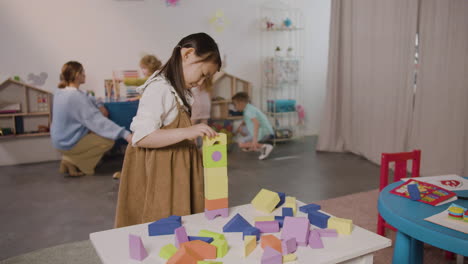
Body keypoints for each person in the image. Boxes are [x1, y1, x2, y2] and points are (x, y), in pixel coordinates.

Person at [114, 32, 221, 227]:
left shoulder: (179, 89)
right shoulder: (160, 88)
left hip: (176, 169)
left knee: (182, 221)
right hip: (161, 172)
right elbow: (142, 136)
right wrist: (188, 132)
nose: (201, 82)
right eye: (204, 74)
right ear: (187, 55)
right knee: (161, 220)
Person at [51, 61, 132, 177]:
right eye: (82, 72)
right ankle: (78, 163)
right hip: (68, 142)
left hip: (59, 140)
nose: (85, 74)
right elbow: (97, 121)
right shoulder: (76, 97)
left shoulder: (60, 92)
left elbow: (88, 96)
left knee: (97, 134)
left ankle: (69, 160)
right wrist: (125, 134)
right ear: (76, 75)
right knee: (108, 141)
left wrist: (98, 104)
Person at [232, 92, 274, 160]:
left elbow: (256, 124)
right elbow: (244, 123)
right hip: (264, 131)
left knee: (241, 144)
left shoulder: (249, 111)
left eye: (235, 104)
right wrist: (236, 132)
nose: (234, 107)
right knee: (244, 139)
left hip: (266, 133)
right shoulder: (248, 109)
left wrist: (254, 141)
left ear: (241, 103)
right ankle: (259, 147)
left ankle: (265, 146)